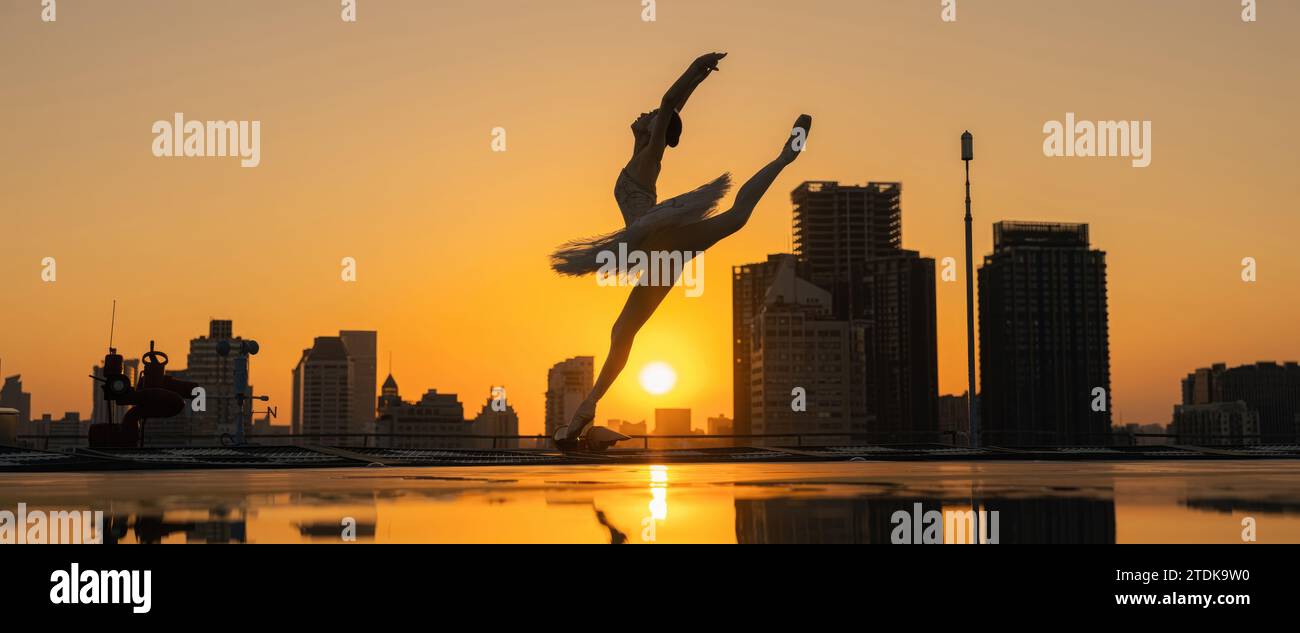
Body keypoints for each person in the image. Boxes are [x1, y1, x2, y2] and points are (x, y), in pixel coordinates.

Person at [550, 52, 812, 449]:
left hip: (659, 240)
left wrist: (696, 71)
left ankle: (785, 156)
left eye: (651, 117)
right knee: (622, 331)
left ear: (658, 129)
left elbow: (670, 103)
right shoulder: (639, 155)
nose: (644, 114)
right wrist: (687, 86)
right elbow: (666, 109)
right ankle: (585, 412)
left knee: (737, 218)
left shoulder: (650, 155)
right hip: (662, 257)